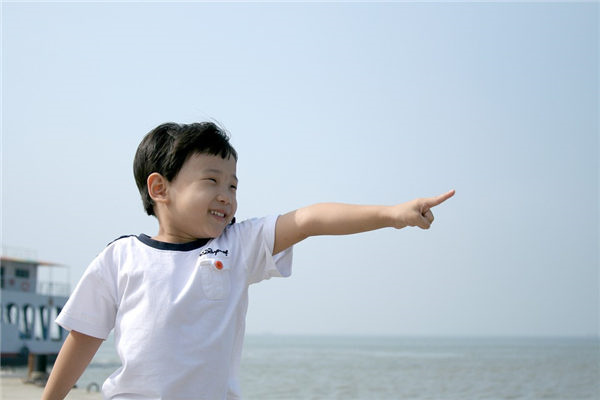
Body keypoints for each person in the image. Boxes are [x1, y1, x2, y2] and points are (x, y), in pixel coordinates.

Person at [42, 121, 455, 400]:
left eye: (233, 185)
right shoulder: (120, 257)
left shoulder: (238, 245)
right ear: (160, 188)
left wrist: (391, 214)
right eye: (212, 181)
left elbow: (309, 219)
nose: (226, 196)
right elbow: (84, 338)